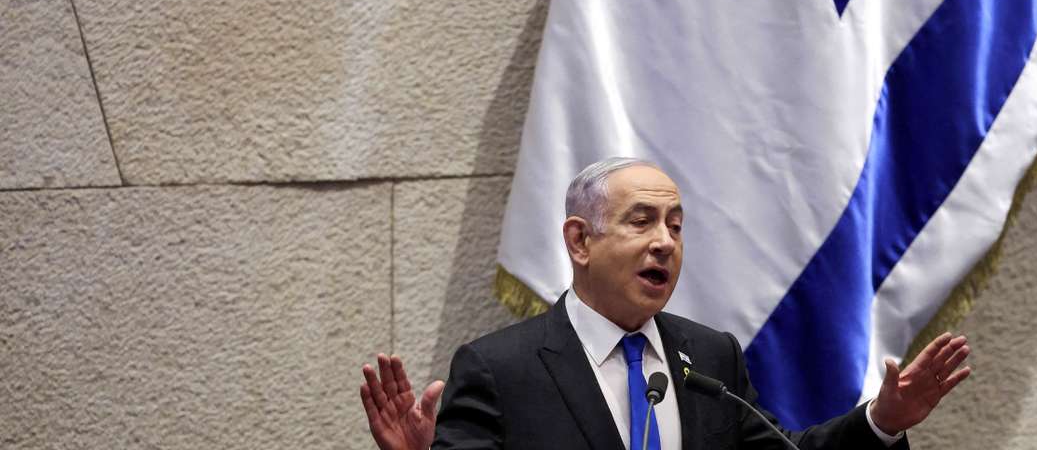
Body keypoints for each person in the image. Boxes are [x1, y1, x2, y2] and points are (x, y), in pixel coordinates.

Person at [360, 158, 971, 450]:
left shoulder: (709, 357)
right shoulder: (501, 370)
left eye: (676, 227)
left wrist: (882, 420)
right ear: (580, 241)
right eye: (642, 221)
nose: (665, 242)